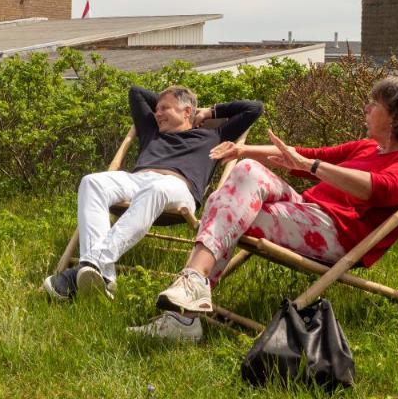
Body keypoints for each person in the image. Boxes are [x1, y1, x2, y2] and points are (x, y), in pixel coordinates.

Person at [134, 76, 398, 342]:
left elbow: (380, 188)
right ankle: (193, 286)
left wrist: (312, 167)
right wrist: (242, 150)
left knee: (221, 204)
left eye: (375, 104)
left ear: (397, 118)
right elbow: (305, 155)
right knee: (247, 170)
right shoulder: (366, 147)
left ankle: (185, 313)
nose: (367, 109)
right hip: (306, 212)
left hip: (336, 233)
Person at [44, 85, 264, 301]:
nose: (157, 113)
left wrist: (208, 112)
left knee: (156, 187)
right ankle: (103, 277)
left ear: (187, 111)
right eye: (156, 109)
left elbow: (254, 108)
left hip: (178, 188)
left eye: (164, 108)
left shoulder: (214, 135)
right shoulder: (151, 128)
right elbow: (135, 92)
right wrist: (167, 106)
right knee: (92, 182)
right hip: (137, 181)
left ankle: (90, 264)